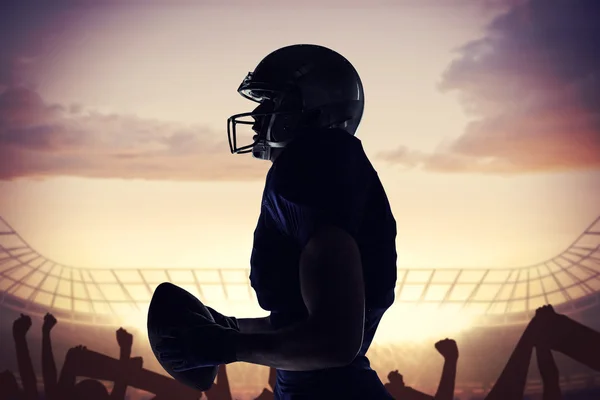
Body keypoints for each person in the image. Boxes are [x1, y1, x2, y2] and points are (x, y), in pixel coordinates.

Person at [152, 44, 398, 399]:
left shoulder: (312, 169)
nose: (255, 115)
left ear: (312, 110)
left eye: (271, 102)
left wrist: (228, 346)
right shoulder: (327, 169)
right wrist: (229, 328)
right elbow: (297, 323)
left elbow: (334, 342)